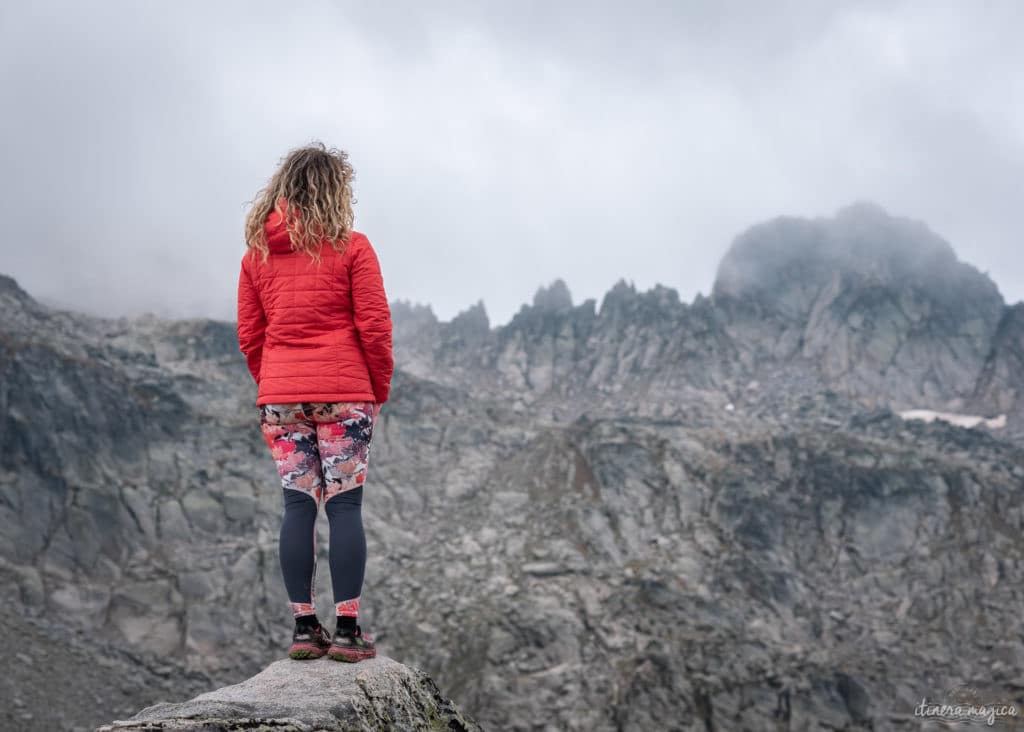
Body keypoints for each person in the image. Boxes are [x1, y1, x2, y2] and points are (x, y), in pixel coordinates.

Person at [236, 142, 394, 662]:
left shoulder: (257, 254)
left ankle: (305, 628)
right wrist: (377, 388)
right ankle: (347, 631)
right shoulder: (354, 246)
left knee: (296, 505)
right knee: (345, 506)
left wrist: (274, 384)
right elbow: (374, 327)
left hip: (280, 398)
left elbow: (250, 335)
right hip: (346, 393)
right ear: (334, 192)